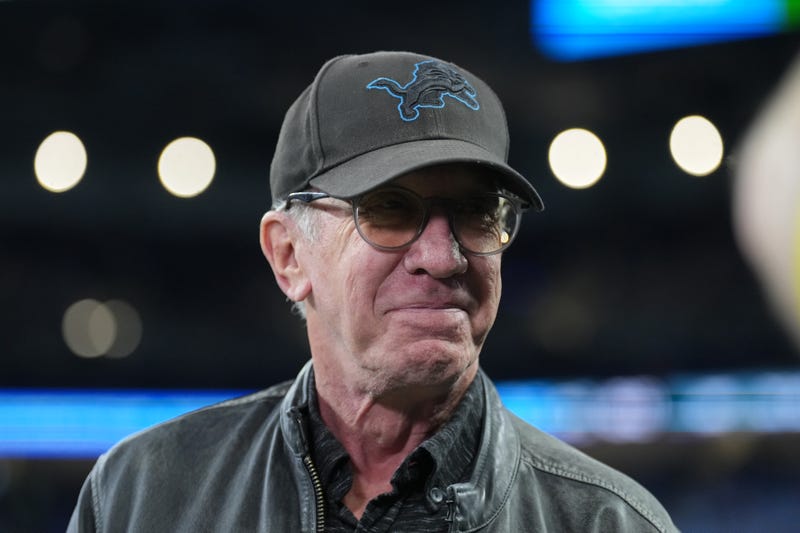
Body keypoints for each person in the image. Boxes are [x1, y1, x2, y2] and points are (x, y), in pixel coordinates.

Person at [68, 51, 678, 532]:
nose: (443, 257)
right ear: (289, 255)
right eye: (388, 209)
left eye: (476, 213)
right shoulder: (138, 497)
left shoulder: (611, 523)